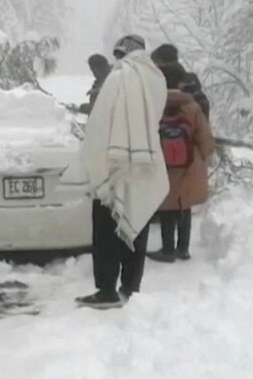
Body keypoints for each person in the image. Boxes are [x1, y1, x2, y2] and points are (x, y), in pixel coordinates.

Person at [69, 34, 170, 309]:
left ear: (122, 53)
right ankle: (131, 287)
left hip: (114, 163)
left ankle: (106, 290)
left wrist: (94, 155)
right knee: (136, 220)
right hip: (145, 160)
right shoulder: (156, 78)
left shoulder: (120, 77)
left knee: (105, 228)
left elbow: (101, 123)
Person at [148, 63, 215, 262]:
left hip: (163, 163)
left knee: (167, 206)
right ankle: (183, 248)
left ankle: (167, 250)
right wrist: (204, 155)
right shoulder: (192, 106)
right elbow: (205, 138)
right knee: (183, 205)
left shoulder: (154, 105)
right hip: (188, 163)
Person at [151, 44, 210, 118]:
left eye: (154, 63)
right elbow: (203, 108)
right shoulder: (191, 82)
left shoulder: (156, 82)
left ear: (160, 62)